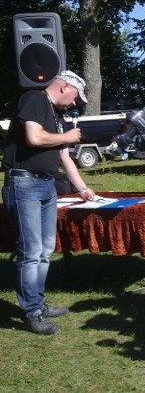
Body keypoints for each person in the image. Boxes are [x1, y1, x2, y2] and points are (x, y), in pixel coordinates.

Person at [2, 70, 96, 335]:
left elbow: (65, 158)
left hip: (46, 184)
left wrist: (84, 189)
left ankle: (38, 303)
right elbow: (34, 137)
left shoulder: (57, 114)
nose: (76, 103)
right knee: (31, 252)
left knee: (44, 249)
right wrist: (67, 137)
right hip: (24, 184)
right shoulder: (33, 99)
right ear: (64, 87)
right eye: (76, 96)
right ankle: (32, 312)